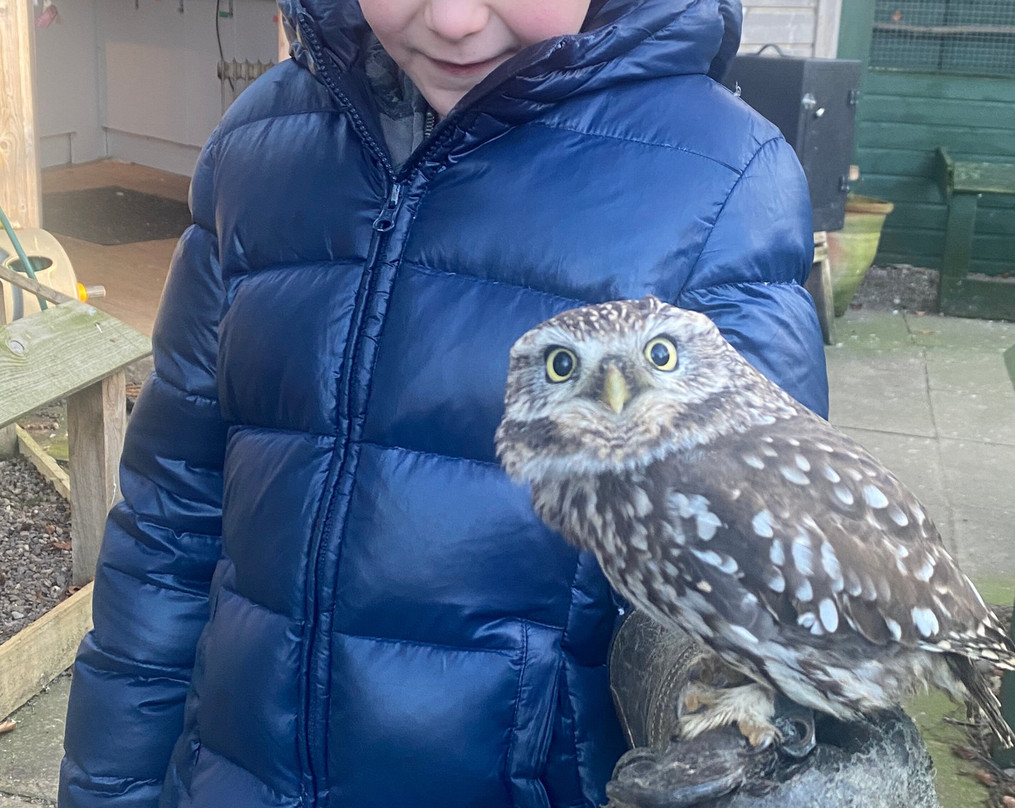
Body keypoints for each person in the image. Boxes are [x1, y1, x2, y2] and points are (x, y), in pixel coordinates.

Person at [59, 1, 828, 806]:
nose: (457, 20)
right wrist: (111, 788)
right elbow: (170, 523)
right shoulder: (257, 150)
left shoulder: (719, 181)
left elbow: (753, 572)